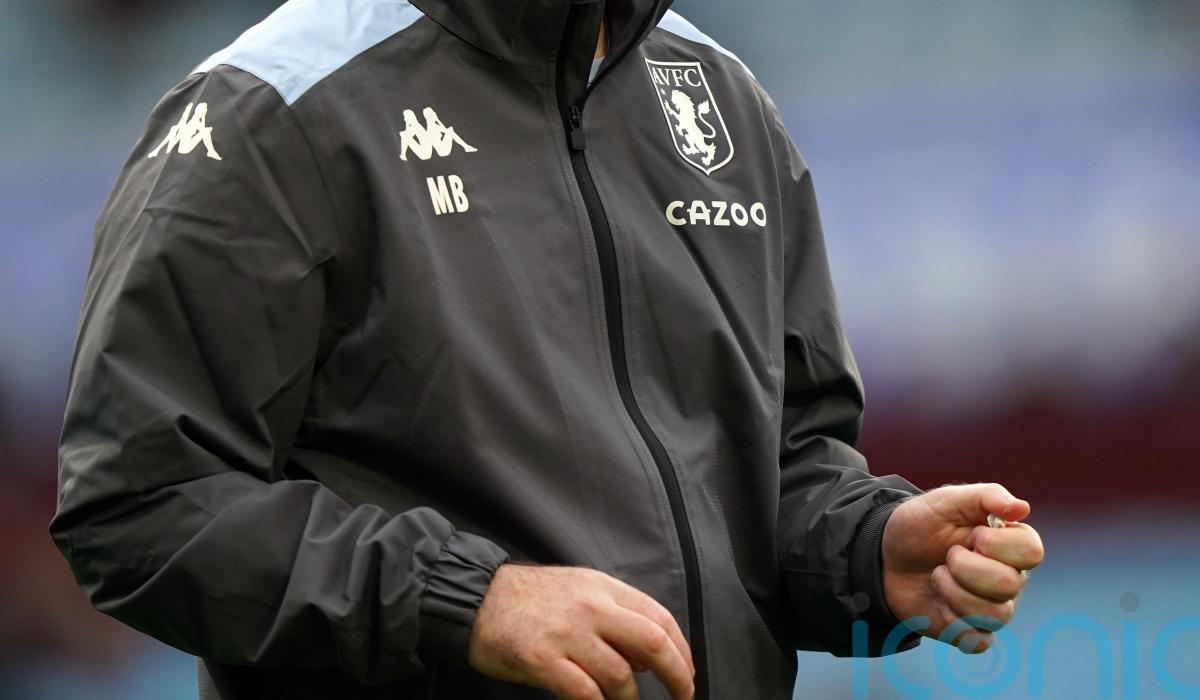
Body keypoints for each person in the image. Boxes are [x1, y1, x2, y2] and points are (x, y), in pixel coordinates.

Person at [50, 1, 1045, 699]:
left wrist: (866, 549)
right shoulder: (273, 109)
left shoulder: (723, 101)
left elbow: (780, 463)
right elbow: (139, 504)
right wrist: (470, 602)